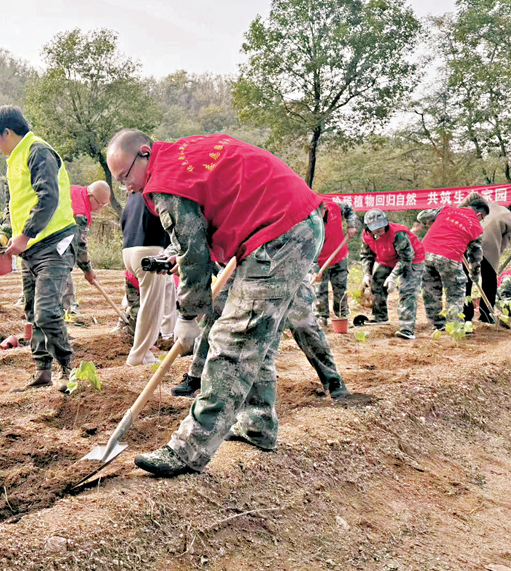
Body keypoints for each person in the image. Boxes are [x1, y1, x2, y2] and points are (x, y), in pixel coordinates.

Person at [106, 130, 323, 477]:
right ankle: (257, 423)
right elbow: (196, 237)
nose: (127, 187)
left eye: (125, 176)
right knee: (256, 335)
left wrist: (188, 314)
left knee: (233, 340)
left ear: (144, 154)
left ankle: (189, 449)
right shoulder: (178, 157)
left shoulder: (166, 181)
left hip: (280, 233)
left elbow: (194, 257)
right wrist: (186, 256)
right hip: (291, 224)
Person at [0, 106, 77, 391]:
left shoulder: (38, 152)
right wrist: (4, 234)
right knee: (32, 311)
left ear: (7, 132)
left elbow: (48, 197)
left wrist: (25, 235)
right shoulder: (14, 160)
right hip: (31, 248)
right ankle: (42, 370)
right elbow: (12, 205)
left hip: (54, 242)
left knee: (47, 311)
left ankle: (68, 368)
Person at [171, 261, 349, 402]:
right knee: (215, 310)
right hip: (241, 269)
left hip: (287, 265)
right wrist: (180, 258)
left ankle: (333, 381)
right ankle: (195, 377)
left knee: (303, 324)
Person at [121, 189, 176, 366]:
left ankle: (145, 355)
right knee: (152, 308)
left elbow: (123, 220)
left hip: (128, 249)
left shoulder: (134, 191)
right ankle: (137, 356)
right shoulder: (157, 188)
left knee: (147, 304)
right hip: (149, 248)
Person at [418, 200, 489, 331]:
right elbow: (475, 254)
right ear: (479, 214)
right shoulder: (476, 226)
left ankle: (436, 324)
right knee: (455, 293)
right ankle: (454, 325)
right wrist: (474, 274)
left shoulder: (446, 209)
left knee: (431, 291)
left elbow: (421, 216)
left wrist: (432, 222)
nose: (481, 221)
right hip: (449, 256)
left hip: (425, 253)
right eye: (483, 218)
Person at [359, 209, 426, 340]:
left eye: (380, 227)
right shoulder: (366, 236)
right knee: (377, 281)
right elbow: (367, 255)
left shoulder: (398, 234)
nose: (378, 230)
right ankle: (380, 316)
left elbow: (406, 258)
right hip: (388, 259)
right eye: (374, 228)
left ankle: (407, 328)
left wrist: (393, 277)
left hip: (412, 259)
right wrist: (366, 274)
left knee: (407, 290)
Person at [466, 200, 511, 323]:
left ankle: (465, 316)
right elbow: (501, 246)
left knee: (467, 281)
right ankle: (486, 316)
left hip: (468, 243)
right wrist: (494, 262)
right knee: (489, 283)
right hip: (487, 249)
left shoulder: (493, 207)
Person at [63, 181, 112, 315]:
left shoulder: (74, 190)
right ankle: (68, 309)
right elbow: (80, 245)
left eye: (104, 205)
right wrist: (87, 269)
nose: (100, 208)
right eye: (100, 204)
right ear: (91, 195)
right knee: (62, 266)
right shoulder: (80, 212)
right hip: (57, 244)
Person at [314, 196, 359, 327]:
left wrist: (351, 226)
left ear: (324, 208)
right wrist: (313, 270)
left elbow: (349, 209)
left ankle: (342, 315)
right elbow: (305, 249)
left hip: (340, 256)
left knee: (340, 289)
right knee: (319, 291)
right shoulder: (307, 222)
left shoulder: (334, 206)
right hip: (319, 262)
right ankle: (321, 318)